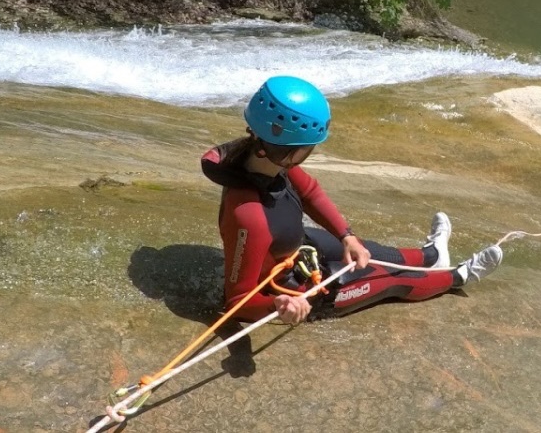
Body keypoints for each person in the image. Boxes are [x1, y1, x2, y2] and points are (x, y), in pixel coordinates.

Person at [202, 75, 502, 325]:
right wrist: (280, 306)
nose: (310, 153)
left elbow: (310, 194)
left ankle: (431, 256)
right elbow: (237, 300)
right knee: (388, 278)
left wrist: (347, 236)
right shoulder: (249, 215)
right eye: (308, 148)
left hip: (297, 249)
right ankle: (458, 276)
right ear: (283, 148)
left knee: (370, 251)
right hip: (292, 288)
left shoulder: (272, 164)